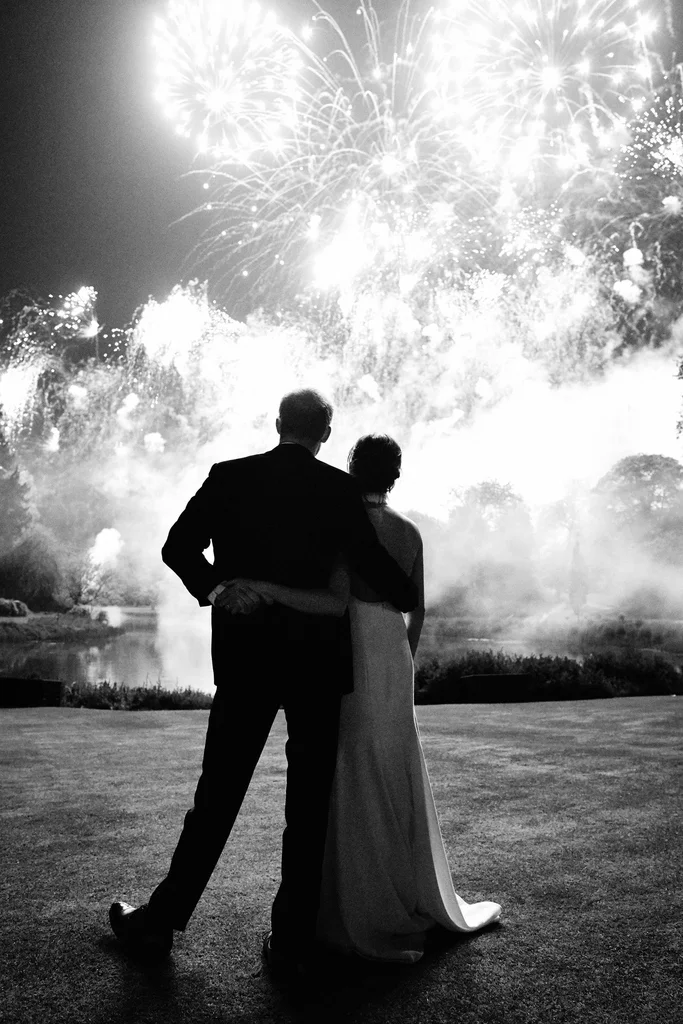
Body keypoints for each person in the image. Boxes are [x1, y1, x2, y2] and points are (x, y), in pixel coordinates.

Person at [108, 391, 418, 982]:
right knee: (307, 807)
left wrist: (220, 588)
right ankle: (291, 943)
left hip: (246, 658)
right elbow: (372, 564)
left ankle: (159, 924)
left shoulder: (229, 477)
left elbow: (177, 548)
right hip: (317, 666)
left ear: (277, 425)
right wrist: (404, 593)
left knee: (216, 797)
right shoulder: (337, 491)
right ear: (326, 433)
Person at [240, 435, 502, 963]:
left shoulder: (340, 524)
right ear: (396, 476)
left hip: (347, 644)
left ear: (352, 468)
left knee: (346, 766)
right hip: (391, 650)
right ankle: (403, 891)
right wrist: (402, 662)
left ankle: (345, 904)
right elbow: (418, 609)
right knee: (391, 762)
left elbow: (335, 599)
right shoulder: (409, 531)